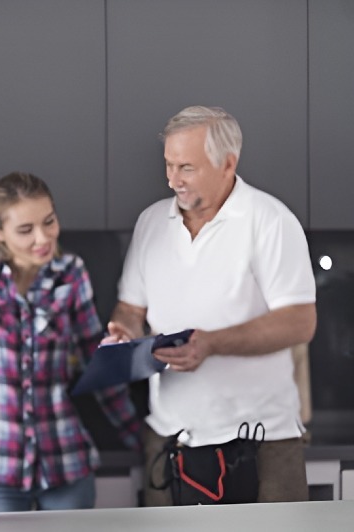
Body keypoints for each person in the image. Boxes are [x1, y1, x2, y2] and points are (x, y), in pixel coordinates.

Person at [105, 105, 316, 505]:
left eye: (186, 167)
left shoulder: (269, 220)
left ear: (228, 163)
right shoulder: (151, 223)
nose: (172, 180)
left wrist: (211, 343)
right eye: (168, 165)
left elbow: (299, 322)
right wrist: (124, 331)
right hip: (170, 438)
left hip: (262, 441)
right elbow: (130, 308)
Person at [0, 172, 141, 513]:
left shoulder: (71, 273)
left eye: (49, 222)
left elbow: (95, 362)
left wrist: (139, 436)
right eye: (25, 230)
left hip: (65, 464)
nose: (43, 237)